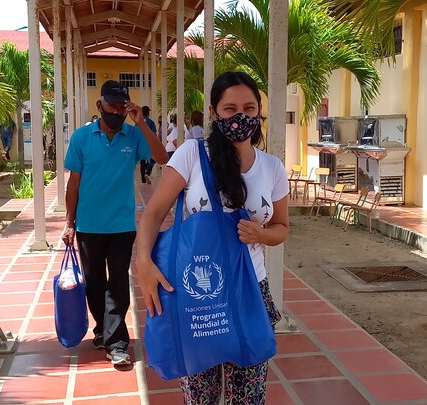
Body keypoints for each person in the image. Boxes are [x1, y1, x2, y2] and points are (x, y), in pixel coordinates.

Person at [135, 71, 289, 404]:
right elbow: (154, 212)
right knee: (200, 394)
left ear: (259, 111)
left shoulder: (273, 168)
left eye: (249, 108)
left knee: (248, 395)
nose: (240, 116)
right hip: (201, 294)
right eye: (230, 108)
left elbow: (282, 228)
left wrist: (262, 234)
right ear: (213, 112)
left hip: (252, 289)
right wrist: (143, 261)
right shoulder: (192, 154)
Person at [61, 80, 169, 366]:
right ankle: (102, 330)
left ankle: (117, 343)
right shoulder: (82, 138)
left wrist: (142, 123)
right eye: (112, 106)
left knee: (118, 283)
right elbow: (74, 184)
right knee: (95, 284)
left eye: (123, 107)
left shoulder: (133, 137)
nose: (117, 112)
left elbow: (161, 157)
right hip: (88, 226)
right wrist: (69, 223)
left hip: (122, 226)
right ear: (100, 106)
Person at [138, 105, 158, 184]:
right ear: (148, 113)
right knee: (153, 159)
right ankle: (147, 172)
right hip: (149, 143)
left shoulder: (138, 121)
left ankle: (143, 179)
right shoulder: (151, 122)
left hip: (141, 144)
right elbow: (154, 134)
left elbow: (135, 132)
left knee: (142, 161)